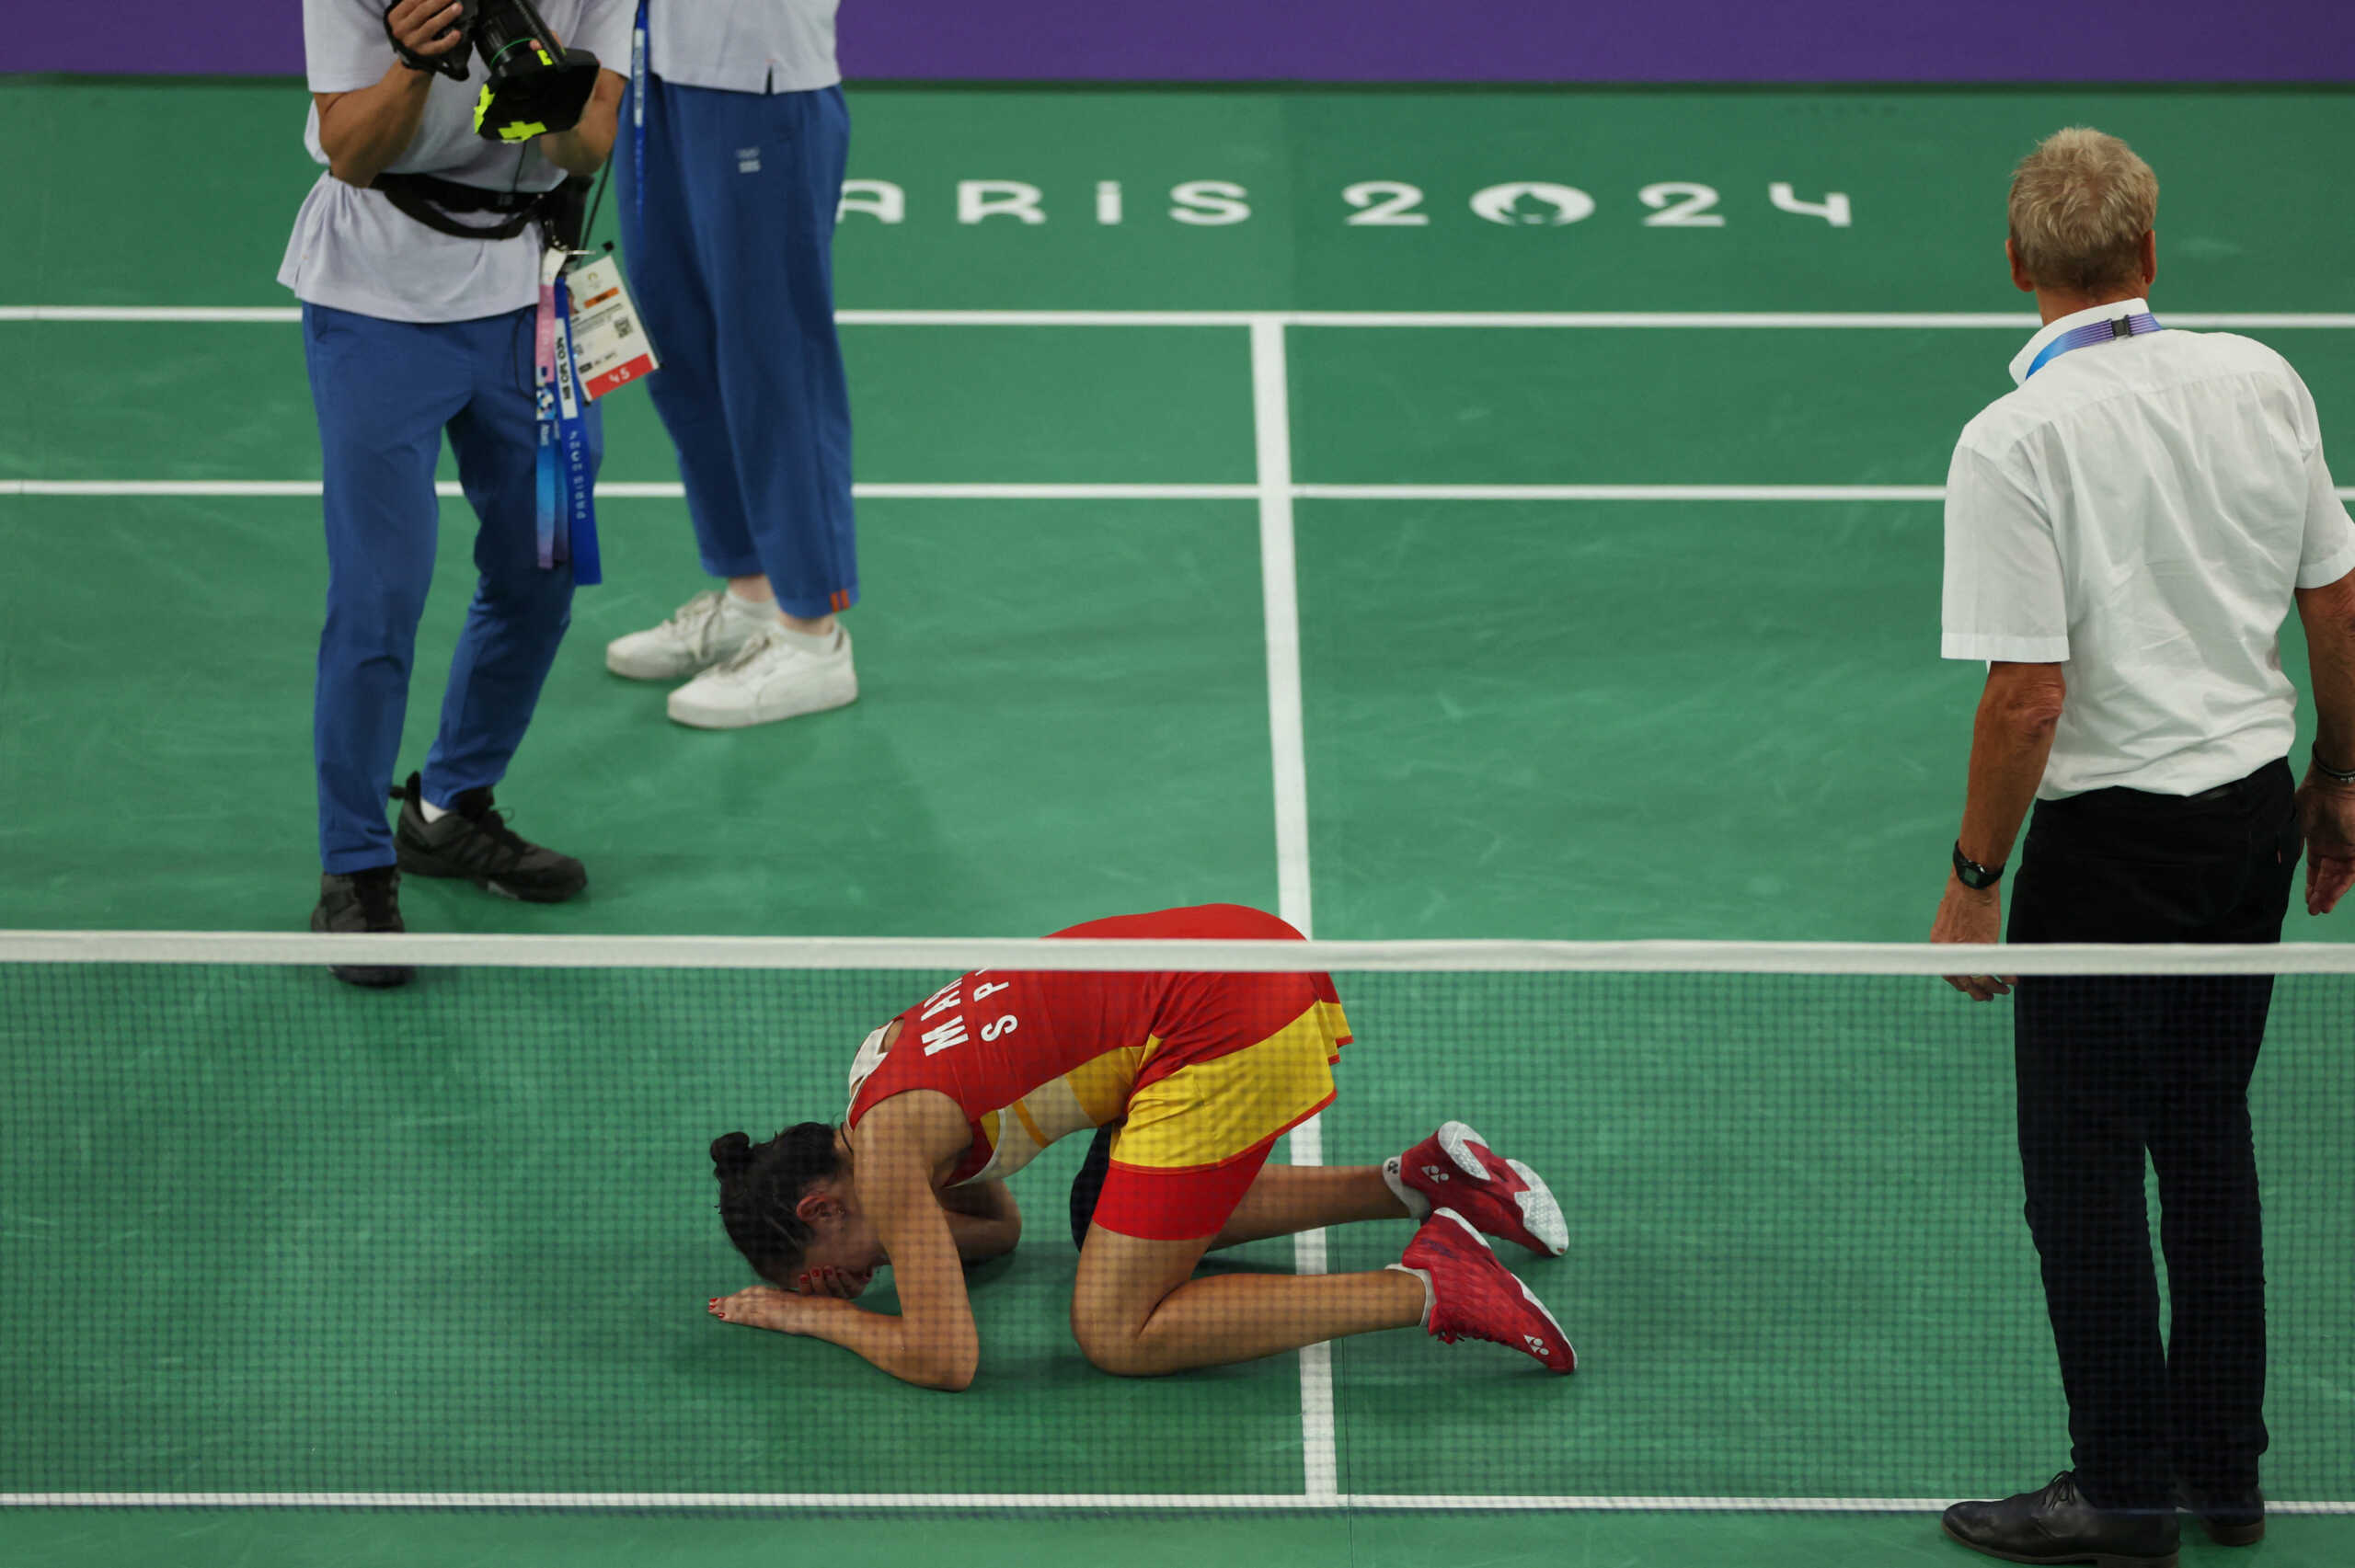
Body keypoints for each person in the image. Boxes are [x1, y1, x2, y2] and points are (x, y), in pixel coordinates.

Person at [1930, 127, 2355, 1565]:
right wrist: (2342, 781)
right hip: (2247, 816)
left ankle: (2120, 1487)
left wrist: (1973, 886)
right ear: (2152, 250)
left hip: (2107, 852)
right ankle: (2224, 1476)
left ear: (2016, 267)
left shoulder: (2015, 438)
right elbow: (2337, 600)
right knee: (2207, 1136)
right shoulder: (2264, 378)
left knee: (2086, 1168)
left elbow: (2027, 694)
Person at [704, 904, 1577, 1387]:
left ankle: (1430, 1284)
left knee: (1116, 1328)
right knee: (1098, 1215)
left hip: (1221, 1022)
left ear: (818, 1206)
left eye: (828, 1267)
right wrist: (886, 1249)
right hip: (1232, 949)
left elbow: (947, 1356)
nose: (859, 1282)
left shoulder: (889, 1156)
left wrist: (813, 1313)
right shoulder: (879, 1086)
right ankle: (1425, 1182)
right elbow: (999, 1230)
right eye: (835, 1289)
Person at [284, 0, 635, 987]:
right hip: (373, 304)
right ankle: (354, 865)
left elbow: (589, 143)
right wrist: (412, 63)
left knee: (546, 559)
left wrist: (527, 84)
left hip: (530, 295)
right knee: (379, 596)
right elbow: (351, 152)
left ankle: (447, 807)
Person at [603, 0, 859, 730]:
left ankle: (813, 633)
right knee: (677, 343)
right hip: (651, 62)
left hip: (761, 73)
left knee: (774, 358)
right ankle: (752, 595)